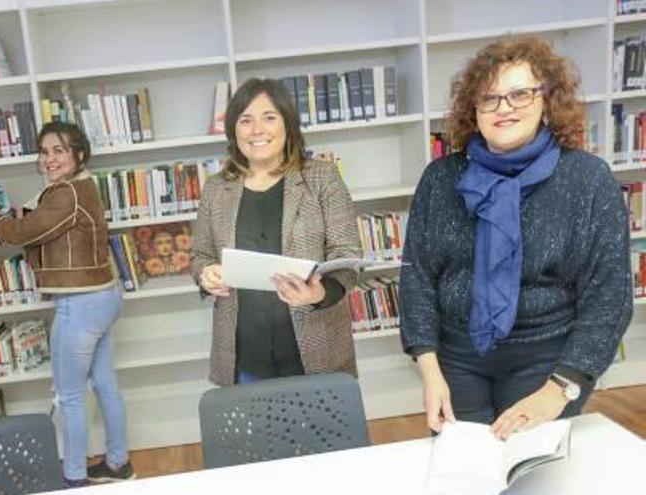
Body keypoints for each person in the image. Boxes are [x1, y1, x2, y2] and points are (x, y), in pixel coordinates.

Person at [400, 37, 632, 440]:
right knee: (465, 472)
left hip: (549, 359)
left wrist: (561, 388)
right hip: (458, 358)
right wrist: (429, 370)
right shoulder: (441, 180)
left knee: (531, 473)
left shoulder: (588, 180)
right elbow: (416, 278)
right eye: (489, 98)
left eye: (519, 94)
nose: (504, 108)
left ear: (548, 100)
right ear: (473, 109)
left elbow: (609, 300)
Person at [0, 122, 134, 488]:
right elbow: (44, 228)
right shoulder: (80, 186)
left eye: (59, 150)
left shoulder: (66, 193)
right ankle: (118, 463)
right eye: (45, 151)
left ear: (78, 154)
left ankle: (74, 477)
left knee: (69, 396)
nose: (50, 158)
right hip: (103, 295)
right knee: (105, 382)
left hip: (79, 304)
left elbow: (24, 233)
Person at [190, 78, 361, 386]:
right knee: (255, 434)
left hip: (316, 347)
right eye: (245, 120)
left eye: (269, 117)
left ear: (287, 123)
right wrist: (206, 273)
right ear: (234, 130)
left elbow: (347, 257)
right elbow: (200, 255)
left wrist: (318, 293)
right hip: (244, 355)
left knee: (323, 434)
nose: (257, 130)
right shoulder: (216, 189)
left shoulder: (322, 178)